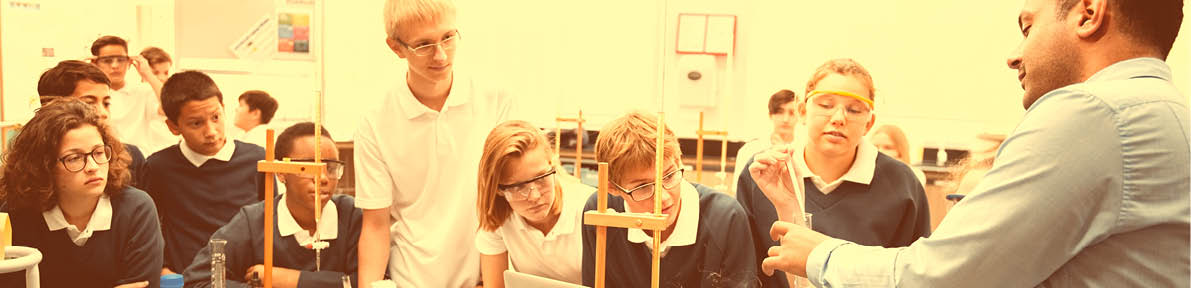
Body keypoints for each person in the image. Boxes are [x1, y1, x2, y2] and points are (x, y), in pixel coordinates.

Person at [759, 0, 1189, 286]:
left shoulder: (1091, 113)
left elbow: (942, 276)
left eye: (1027, 27)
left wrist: (821, 255)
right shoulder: (1168, 115)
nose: (1013, 54)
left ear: (1089, 13)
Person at [355, 0, 515, 286]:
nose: (441, 55)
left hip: (486, 274)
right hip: (411, 278)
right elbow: (376, 225)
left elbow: (510, 201)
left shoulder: (495, 99)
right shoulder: (375, 121)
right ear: (396, 47)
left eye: (448, 38)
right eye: (423, 44)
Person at [737, 58, 931, 287]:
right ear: (802, 111)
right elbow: (742, 269)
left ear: (869, 123)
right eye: (826, 105)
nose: (839, 119)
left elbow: (916, 274)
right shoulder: (765, 174)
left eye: (854, 110)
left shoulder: (902, 185)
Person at [580, 111, 757, 287]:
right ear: (612, 188)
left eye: (669, 176)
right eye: (643, 187)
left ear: (679, 161)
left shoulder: (725, 218)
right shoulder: (601, 213)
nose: (663, 198)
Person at [0, 98, 163, 288]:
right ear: (43, 166)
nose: (93, 167)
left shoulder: (136, 208)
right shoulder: (18, 214)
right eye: (74, 158)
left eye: (99, 152)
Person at [183, 122, 362, 288]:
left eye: (330, 168)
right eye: (307, 168)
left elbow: (370, 280)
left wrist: (286, 279)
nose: (323, 178)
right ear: (281, 173)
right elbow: (198, 279)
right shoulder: (254, 222)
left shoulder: (352, 215)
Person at [142, 71, 267, 275]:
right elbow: (147, 228)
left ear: (224, 109)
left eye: (216, 117)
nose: (211, 131)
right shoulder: (158, 167)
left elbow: (269, 221)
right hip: (185, 277)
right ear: (173, 126)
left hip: (244, 277)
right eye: (196, 123)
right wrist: (163, 268)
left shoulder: (257, 159)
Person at [475, 121, 593, 287]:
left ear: (553, 165)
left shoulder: (589, 209)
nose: (535, 196)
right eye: (518, 186)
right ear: (498, 189)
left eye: (541, 178)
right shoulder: (498, 217)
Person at [37, 60, 146, 187]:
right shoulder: (32, 163)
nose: (103, 113)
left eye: (106, 103)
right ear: (53, 108)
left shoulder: (131, 157)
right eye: (88, 104)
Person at [91, 35, 176, 155]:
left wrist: (148, 73)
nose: (115, 66)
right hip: (104, 159)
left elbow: (168, 109)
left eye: (120, 60)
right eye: (107, 60)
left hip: (140, 161)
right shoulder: (90, 95)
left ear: (129, 62)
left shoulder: (143, 92)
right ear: (95, 63)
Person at [732, 89, 799, 192]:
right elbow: (738, 191)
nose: (786, 119)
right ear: (770, 115)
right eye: (780, 112)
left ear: (800, 115)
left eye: (792, 113)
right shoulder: (749, 150)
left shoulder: (804, 152)